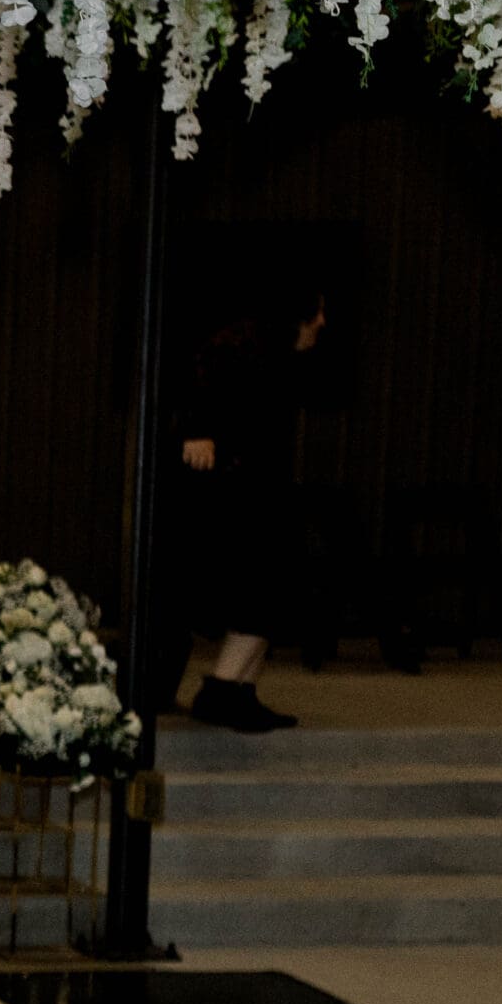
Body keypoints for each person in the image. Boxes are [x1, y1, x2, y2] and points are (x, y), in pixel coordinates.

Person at [175, 288, 327, 731]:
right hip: (235, 492)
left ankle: (239, 688)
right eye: (316, 312)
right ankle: (221, 690)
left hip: (259, 486)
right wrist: (198, 429)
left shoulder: (274, 355)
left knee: (275, 589)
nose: (322, 323)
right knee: (260, 590)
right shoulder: (239, 346)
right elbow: (197, 382)